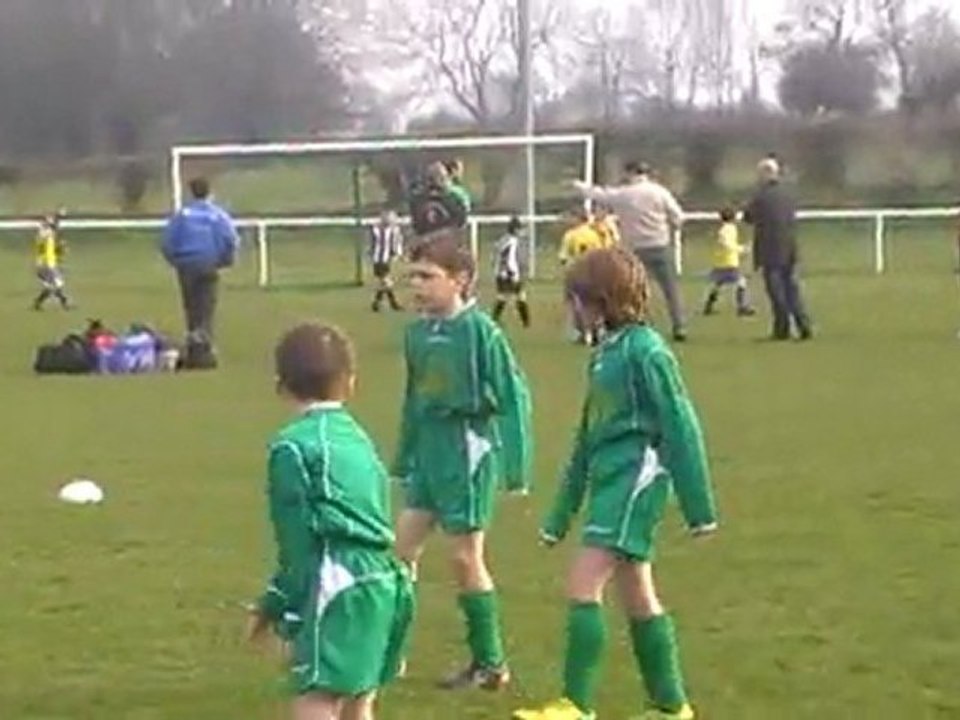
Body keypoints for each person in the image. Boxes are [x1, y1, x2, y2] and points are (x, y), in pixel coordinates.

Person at [513, 248, 718, 720]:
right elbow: (587, 437)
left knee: (584, 581)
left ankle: (575, 704)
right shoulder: (606, 353)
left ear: (601, 301)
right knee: (636, 592)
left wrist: (699, 508)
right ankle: (670, 705)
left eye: (576, 301)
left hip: (635, 480)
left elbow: (680, 424)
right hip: (611, 481)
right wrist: (560, 514)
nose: (571, 310)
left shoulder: (646, 352)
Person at [248, 322, 413, 720]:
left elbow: (297, 544)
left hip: (337, 581)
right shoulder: (358, 437)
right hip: (384, 578)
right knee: (359, 700)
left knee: (317, 698)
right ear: (350, 383)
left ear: (280, 385)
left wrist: (277, 608)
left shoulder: (291, 448)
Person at [392, 234, 533, 691]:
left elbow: (512, 396)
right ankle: (390, 653)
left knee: (463, 557)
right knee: (400, 553)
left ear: (460, 280)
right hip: (429, 453)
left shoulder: (481, 332)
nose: (417, 285)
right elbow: (414, 397)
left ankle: (490, 663)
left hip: (466, 450)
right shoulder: (416, 334)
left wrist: (516, 466)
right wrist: (404, 454)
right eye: (413, 277)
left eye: (428, 277)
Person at [573, 162, 688, 342]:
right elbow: (678, 217)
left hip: (634, 249)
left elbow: (601, 195)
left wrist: (580, 187)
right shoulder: (659, 192)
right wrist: (668, 227)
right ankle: (679, 326)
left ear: (630, 173)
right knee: (670, 289)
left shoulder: (625, 194)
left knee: (633, 290)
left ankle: (641, 323)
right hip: (659, 245)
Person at [162, 177, 239, 365]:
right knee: (206, 309)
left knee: (191, 308)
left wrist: (176, 261)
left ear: (191, 192)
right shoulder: (217, 215)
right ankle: (204, 350)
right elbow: (231, 240)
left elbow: (167, 242)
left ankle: (194, 348)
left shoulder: (182, 215)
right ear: (209, 192)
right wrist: (225, 260)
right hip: (208, 264)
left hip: (187, 265)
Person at [742, 158, 813, 341]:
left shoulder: (760, 196)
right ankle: (804, 324)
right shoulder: (788, 195)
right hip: (789, 247)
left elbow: (748, 217)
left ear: (765, 174)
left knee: (776, 292)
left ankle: (782, 328)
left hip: (770, 250)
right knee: (792, 289)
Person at [560, 208, 606, 345]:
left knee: (577, 304)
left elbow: (563, 258)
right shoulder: (594, 234)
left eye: (571, 217)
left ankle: (584, 333)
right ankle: (597, 331)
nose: (569, 220)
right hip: (595, 273)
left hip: (577, 274)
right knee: (595, 303)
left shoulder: (571, 235)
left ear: (578, 219)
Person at [702, 207, 755, 317]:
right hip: (729, 262)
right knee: (741, 282)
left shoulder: (722, 229)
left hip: (720, 262)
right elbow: (727, 244)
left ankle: (708, 306)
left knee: (718, 284)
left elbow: (724, 243)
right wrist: (741, 249)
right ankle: (742, 307)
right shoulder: (730, 229)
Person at [408, 162, 468, 240]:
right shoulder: (418, 200)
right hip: (432, 241)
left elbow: (460, 223)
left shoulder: (454, 198)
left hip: (440, 241)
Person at [492, 216, 531, 328]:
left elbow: (497, 254)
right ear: (515, 229)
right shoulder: (512, 241)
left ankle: (495, 319)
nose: (521, 231)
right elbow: (509, 259)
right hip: (508, 273)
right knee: (516, 296)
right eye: (520, 229)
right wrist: (510, 272)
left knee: (505, 296)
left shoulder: (504, 239)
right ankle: (525, 322)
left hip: (502, 273)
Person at [32, 211, 73, 311]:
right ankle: (65, 303)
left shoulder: (48, 234)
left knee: (49, 287)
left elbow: (54, 246)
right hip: (48, 264)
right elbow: (44, 244)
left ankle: (38, 303)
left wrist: (61, 248)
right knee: (58, 284)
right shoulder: (46, 234)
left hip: (46, 263)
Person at [369, 209, 404, 313]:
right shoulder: (376, 229)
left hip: (386, 259)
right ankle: (392, 303)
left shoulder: (394, 230)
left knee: (384, 282)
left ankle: (377, 303)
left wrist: (397, 254)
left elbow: (397, 243)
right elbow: (373, 243)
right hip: (378, 260)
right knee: (386, 282)